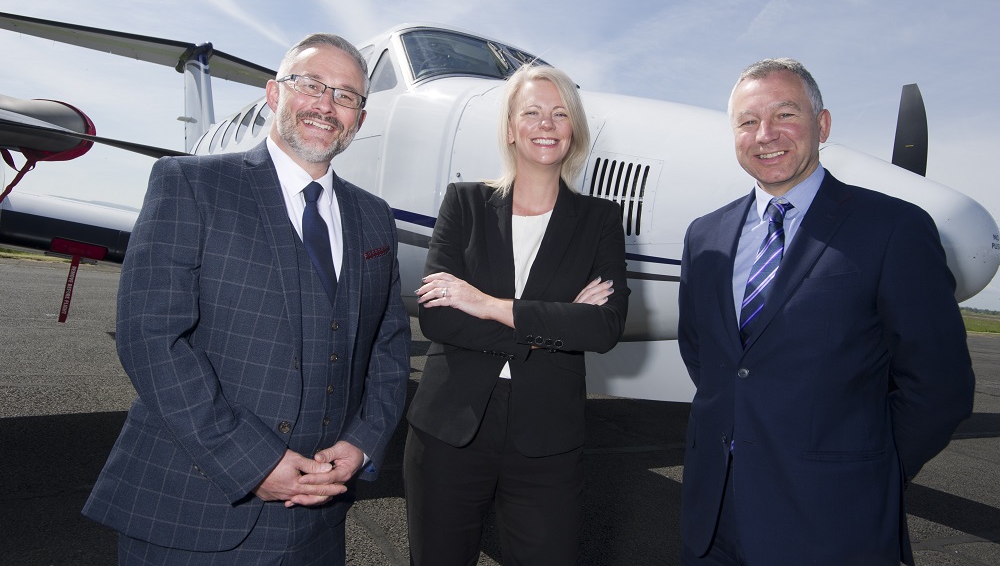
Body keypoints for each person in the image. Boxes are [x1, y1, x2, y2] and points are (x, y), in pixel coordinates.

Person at [83, 33, 411, 564]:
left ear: (360, 119)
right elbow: (150, 337)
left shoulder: (374, 218)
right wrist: (250, 461)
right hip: (193, 513)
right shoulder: (189, 184)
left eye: (346, 96)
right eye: (311, 85)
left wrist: (364, 441)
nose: (327, 105)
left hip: (317, 526)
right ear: (275, 95)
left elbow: (389, 347)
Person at [677, 58, 975, 565]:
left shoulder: (894, 229)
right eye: (748, 122)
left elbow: (940, 386)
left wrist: (871, 470)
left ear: (823, 124)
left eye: (785, 114)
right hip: (714, 524)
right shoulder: (705, 235)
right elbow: (707, 356)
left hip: (835, 526)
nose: (766, 134)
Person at [403, 64, 629, 565]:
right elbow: (437, 316)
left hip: (547, 440)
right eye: (532, 112)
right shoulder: (464, 204)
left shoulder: (600, 219)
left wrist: (486, 305)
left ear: (574, 129)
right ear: (510, 128)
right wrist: (556, 321)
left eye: (560, 113)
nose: (546, 124)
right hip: (448, 432)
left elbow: (604, 326)